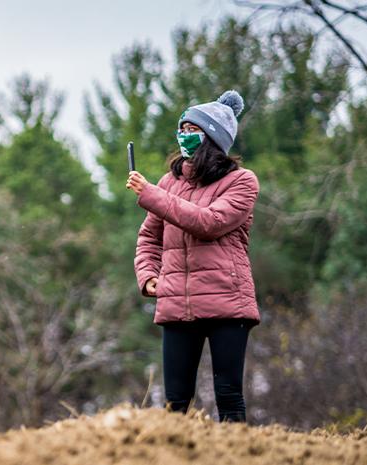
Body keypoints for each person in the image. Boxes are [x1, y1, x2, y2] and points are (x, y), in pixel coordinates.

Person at [128, 90, 260, 423]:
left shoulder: (241, 182)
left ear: (213, 137)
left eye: (192, 130)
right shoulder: (167, 184)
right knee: (175, 403)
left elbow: (209, 223)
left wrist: (151, 195)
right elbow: (148, 239)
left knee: (229, 397)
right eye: (182, 128)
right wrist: (148, 277)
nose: (184, 136)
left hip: (227, 303)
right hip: (177, 304)